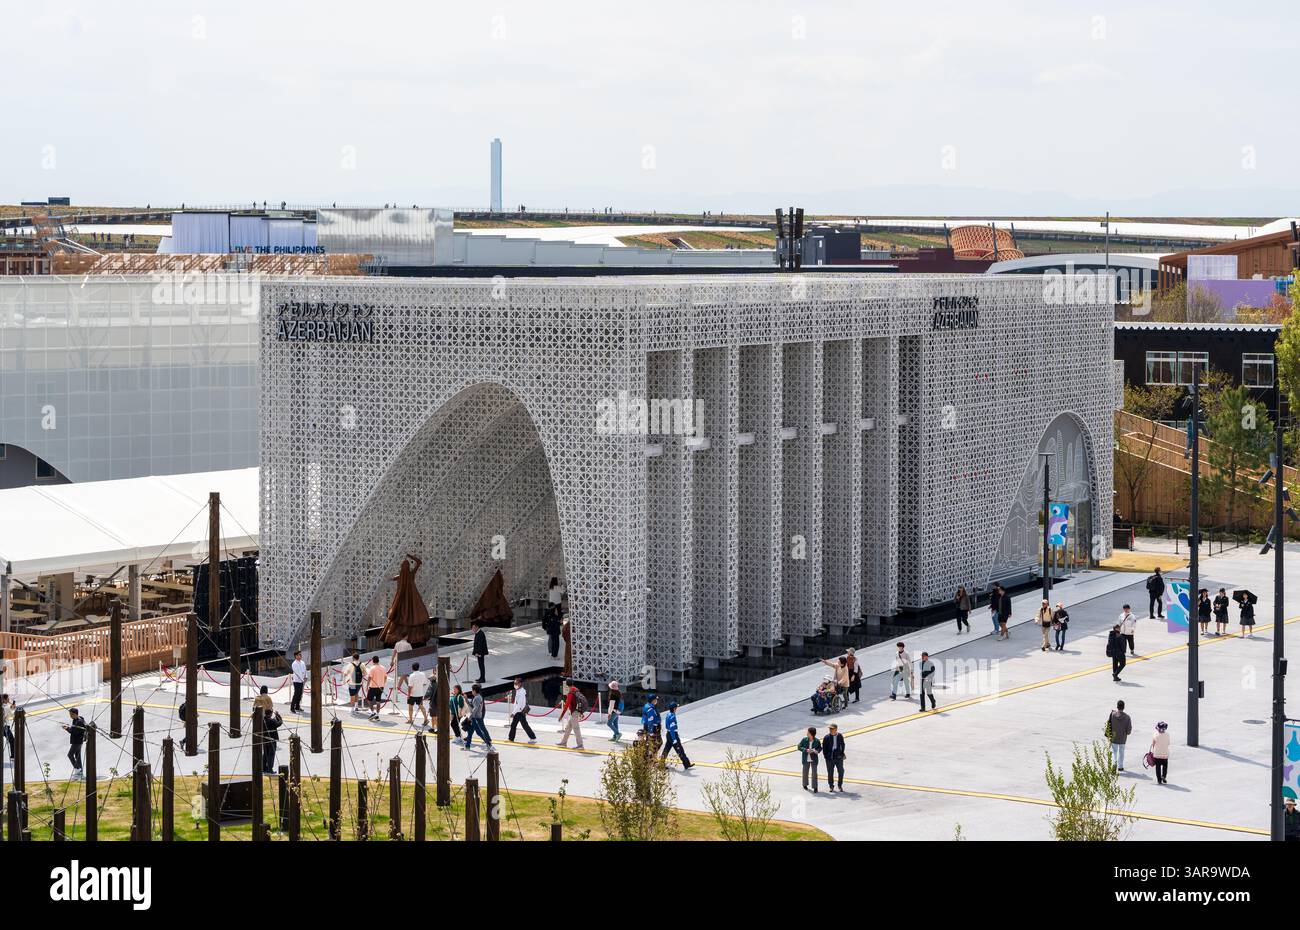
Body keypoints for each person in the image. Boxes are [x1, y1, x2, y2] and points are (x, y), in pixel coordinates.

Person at [660, 701, 692, 768]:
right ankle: (686, 764)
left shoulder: (668, 714)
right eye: (676, 707)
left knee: (666, 749)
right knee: (680, 750)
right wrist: (674, 739)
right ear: (674, 708)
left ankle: (661, 763)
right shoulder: (672, 717)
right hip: (673, 735)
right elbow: (672, 729)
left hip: (668, 734)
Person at [463, 683, 493, 750]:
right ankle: (467, 746)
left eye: (472, 690)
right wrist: (466, 699)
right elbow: (472, 706)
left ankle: (488, 744)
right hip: (475, 717)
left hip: (475, 717)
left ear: (474, 691)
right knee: (471, 731)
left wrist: (470, 718)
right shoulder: (478, 697)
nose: (471, 692)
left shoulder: (477, 698)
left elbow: (475, 709)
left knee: (479, 732)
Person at [507, 676, 537, 743]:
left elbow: (519, 704)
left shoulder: (521, 693)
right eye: (514, 683)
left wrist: (513, 713)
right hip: (518, 711)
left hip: (520, 712)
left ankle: (533, 738)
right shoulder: (519, 691)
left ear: (520, 683)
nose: (515, 685)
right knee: (514, 725)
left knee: (524, 725)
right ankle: (511, 738)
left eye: (516, 683)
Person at [557, 680, 585, 749]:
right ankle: (563, 743)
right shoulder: (576, 691)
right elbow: (580, 702)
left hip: (574, 713)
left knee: (576, 729)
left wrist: (561, 716)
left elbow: (566, 706)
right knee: (568, 728)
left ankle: (580, 745)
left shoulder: (571, 693)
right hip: (576, 712)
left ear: (566, 685)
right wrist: (581, 712)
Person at [1108, 700, 1133, 771]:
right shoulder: (1127, 717)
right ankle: (1120, 766)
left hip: (1114, 737)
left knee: (1114, 752)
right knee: (1121, 753)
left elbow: (1110, 724)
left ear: (1117, 706)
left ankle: (1114, 764)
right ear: (1124, 707)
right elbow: (1128, 730)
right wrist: (1127, 733)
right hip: (1122, 738)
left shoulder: (1112, 715)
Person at [62, 707, 86, 779]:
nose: (70, 715)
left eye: (71, 714)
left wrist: (66, 728)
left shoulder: (79, 722)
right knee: (77, 756)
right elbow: (74, 728)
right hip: (79, 741)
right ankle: (80, 771)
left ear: (74, 714)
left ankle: (77, 769)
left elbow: (74, 732)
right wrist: (69, 727)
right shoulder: (78, 719)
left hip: (77, 742)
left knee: (70, 755)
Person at [822, 723, 845, 791]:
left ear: (836, 729)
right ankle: (831, 786)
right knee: (830, 772)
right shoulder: (826, 737)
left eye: (832, 729)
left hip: (838, 757)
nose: (830, 730)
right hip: (830, 758)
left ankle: (840, 785)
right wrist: (826, 756)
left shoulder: (840, 736)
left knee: (841, 771)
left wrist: (842, 753)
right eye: (830, 729)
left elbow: (843, 744)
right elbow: (824, 748)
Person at [261, 703, 282, 774]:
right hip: (272, 741)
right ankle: (270, 769)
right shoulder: (272, 721)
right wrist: (278, 715)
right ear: (270, 714)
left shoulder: (263, 720)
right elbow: (280, 723)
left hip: (264, 740)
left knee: (265, 755)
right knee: (271, 755)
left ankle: (264, 768)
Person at [406, 662, 430, 727]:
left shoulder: (411, 676)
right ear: (418, 667)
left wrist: (408, 694)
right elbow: (425, 683)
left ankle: (410, 719)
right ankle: (426, 719)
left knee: (410, 707)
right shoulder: (422, 674)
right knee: (421, 706)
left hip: (412, 694)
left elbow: (410, 686)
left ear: (412, 668)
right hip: (420, 693)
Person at [799, 726, 821, 793]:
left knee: (814, 773)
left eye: (808, 732)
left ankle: (815, 787)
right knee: (805, 772)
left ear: (811, 734)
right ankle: (805, 784)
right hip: (806, 759)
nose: (807, 733)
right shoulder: (804, 739)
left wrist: (816, 751)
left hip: (814, 759)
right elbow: (799, 747)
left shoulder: (817, 741)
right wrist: (806, 750)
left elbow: (820, 748)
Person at [365, 655, 387, 720]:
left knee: (369, 700)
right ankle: (377, 715)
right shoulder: (383, 668)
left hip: (373, 686)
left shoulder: (372, 668)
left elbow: (369, 677)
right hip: (381, 686)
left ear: (372, 661)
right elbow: (385, 677)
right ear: (378, 660)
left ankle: (373, 712)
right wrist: (383, 683)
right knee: (378, 701)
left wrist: (367, 686)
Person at [290, 649, 307, 714]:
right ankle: (292, 707)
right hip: (297, 681)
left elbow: (305, 670)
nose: (300, 656)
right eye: (299, 655)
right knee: (296, 694)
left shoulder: (302, 662)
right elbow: (297, 672)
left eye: (300, 654)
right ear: (296, 656)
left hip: (302, 681)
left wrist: (305, 677)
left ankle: (297, 706)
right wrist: (303, 679)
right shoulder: (294, 664)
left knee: (300, 694)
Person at [2, 693, 16, 759]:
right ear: (4, 700)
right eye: (7, 698)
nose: (9, 699)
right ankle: (13, 756)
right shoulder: (7, 707)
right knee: (12, 740)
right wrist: (12, 709)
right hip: (5, 727)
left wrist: (10, 708)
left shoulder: (3, 706)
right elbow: (12, 715)